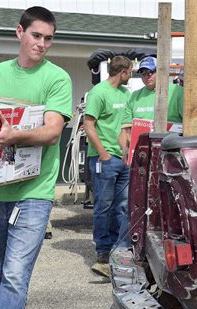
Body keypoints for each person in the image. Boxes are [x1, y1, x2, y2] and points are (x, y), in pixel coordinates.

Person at [0, 7, 72, 309]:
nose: (42, 44)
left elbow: (51, 133)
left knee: (14, 277)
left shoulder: (57, 78)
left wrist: (14, 135)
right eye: (36, 35)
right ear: (20, 32)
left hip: (33, 195)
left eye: (49, 38)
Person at [83, 56, 132, 277]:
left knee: (121, 206)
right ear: (122, 72)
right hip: (105, 159)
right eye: (130, 72)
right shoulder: (99, 93)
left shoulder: (126, 94)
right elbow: (88, 125)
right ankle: (103, 250)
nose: (132, 76)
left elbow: (127, 126)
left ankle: (118, 249)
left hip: (123, 159)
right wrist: (103, 153)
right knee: (103, 205)